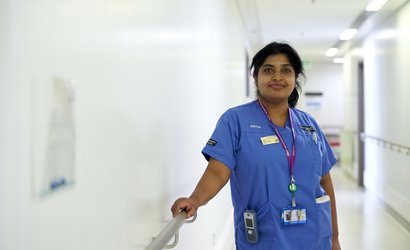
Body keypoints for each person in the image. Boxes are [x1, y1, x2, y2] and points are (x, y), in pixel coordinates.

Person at [171, 41, 341, 250]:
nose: (277, 77)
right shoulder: (235, 121)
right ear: (255, 76)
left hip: (315, 237)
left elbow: (325, 182)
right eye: (269, 70)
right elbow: (217, 172)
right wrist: (195, 200)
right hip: (265, 237)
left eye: (286, 71)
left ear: (295, 78)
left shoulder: (309, 125)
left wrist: (335, 238)